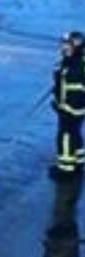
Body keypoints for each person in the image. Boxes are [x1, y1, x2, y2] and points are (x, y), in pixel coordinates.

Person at [51, 32, 85, 179]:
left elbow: (74, 93)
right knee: (75, 134)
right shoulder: (76, 61)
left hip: (70, 110)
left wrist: (62, 107)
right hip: (76, 110)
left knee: (65, 136)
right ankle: (78, 161)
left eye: (67, 45)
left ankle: (66, 169)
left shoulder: (75, 68)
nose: (63, 48)